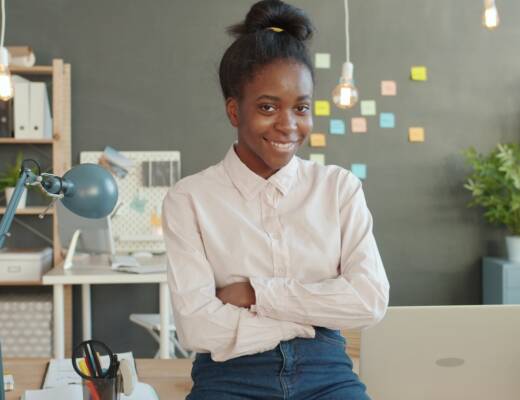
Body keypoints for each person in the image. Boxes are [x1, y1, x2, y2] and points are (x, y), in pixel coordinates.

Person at [162, 0, 390, 398]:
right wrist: (306, 319)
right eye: (268, 107)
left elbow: (369, 301)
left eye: (301, 107)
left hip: (327, 373)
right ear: (235, 111)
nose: (288, 125)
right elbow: (197, 326)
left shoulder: (338, 188)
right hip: (230, 377)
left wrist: (255, 293)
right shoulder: (189, 199)